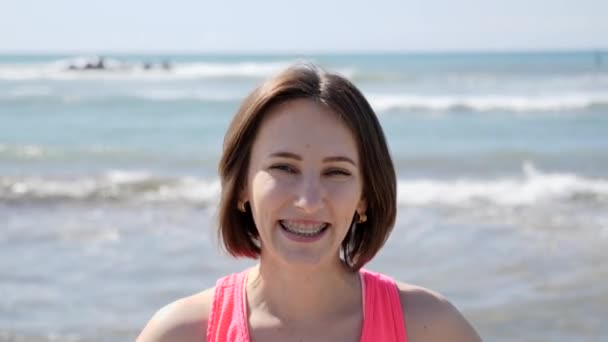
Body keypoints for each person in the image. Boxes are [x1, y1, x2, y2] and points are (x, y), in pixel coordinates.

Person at [137, 64, 482, 342]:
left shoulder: (430, 328)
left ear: (365, 196)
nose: (308, 201)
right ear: (242, 185)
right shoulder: (178, 334)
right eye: (284, 168)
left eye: (336, 172)